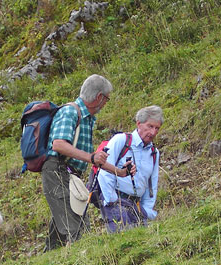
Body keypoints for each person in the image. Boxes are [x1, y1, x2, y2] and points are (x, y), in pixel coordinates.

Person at [42, 74, 134, 250]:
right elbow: (59, 144)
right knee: (78, 226)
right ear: (99, 97)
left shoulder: (88, 119)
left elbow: (92, 157)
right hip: (56, 171)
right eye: (106, 99)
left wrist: (120, 172)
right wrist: (91, 157)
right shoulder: (70, 112)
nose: (106, 103)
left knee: (61, 231)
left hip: (70, 175)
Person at [97, 105, 162, 233]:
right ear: (139, 124)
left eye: (157, 128)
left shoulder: (154, 153)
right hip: (117, 202)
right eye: (150, 126)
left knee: (140, 244)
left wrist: (147, 211)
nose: (153, 132)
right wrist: (112, 200)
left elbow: (151, 185)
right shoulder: (121, 140)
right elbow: (104, 170)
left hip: (137, 207)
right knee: (122, 241)